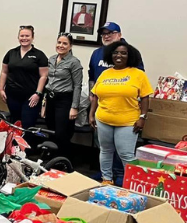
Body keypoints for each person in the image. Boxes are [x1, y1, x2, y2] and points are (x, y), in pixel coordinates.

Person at [88, 22, 145, 183]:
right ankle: (107, 175)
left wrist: (142, 115)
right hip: (103, 109)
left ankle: (123, 176)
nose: (106, 36)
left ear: (119, 35)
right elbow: (92, 77)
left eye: (111, 33)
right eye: (103, 33)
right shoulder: (97, 53)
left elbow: (141, 86)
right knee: (104, 147)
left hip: (125, 111)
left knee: (124, 149)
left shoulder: (130, 52)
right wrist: (92, 100)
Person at [0, 25, 48, 129]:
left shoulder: (39, 55)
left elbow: (44, 76)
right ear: (18, 37)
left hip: (31, 97)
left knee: (27, 125)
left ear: (32, 37)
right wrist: (1, 89)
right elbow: (4, 72)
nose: (24, 38)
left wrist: (38, 93)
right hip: (12, 95)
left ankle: (26, 145)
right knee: (15, 123)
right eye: (22, 36)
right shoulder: (11, 53)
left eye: (27, 36)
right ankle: (14, 145)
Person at [42, 33, 83, 158]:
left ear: (70, 46)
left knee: (61, 133)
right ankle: (52, 159)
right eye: (59, 42)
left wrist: (74, 107)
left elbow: (77, 86)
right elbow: (47, 82)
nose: (61, 45)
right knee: (51, 130)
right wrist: (44, 104)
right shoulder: (51, 59)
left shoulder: (74, 62)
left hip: (64, 100)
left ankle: (62, 160)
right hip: (50, 98)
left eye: (65, 43)